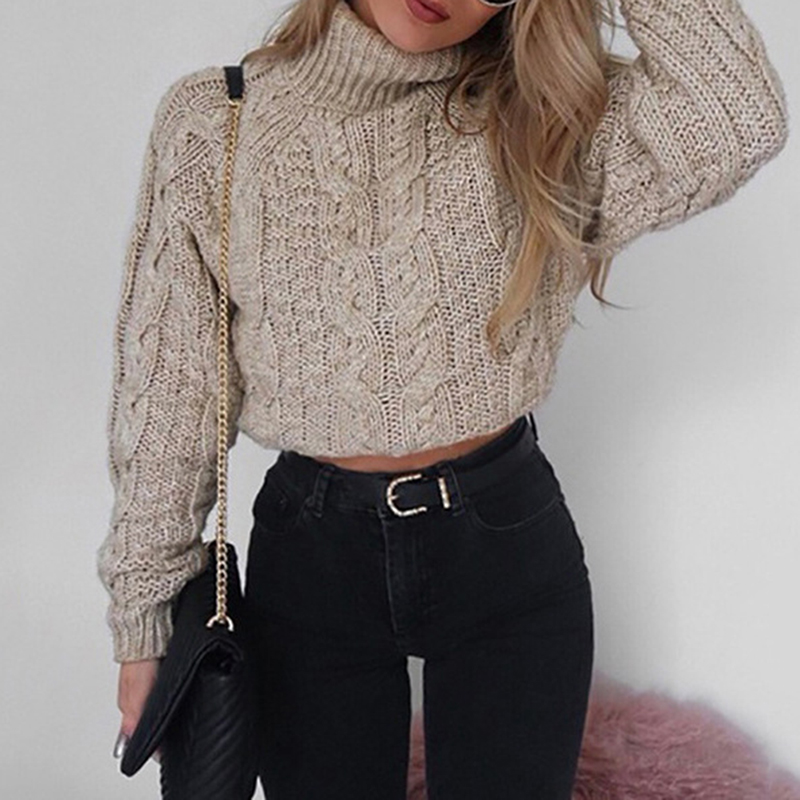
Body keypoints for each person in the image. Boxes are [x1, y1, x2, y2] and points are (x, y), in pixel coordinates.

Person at [98, 0, 788, 796]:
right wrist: (144, 621)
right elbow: (170, 395)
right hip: (311, 559)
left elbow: (736, 118)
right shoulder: (216, 124)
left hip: (505, 547)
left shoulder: (548, 116)